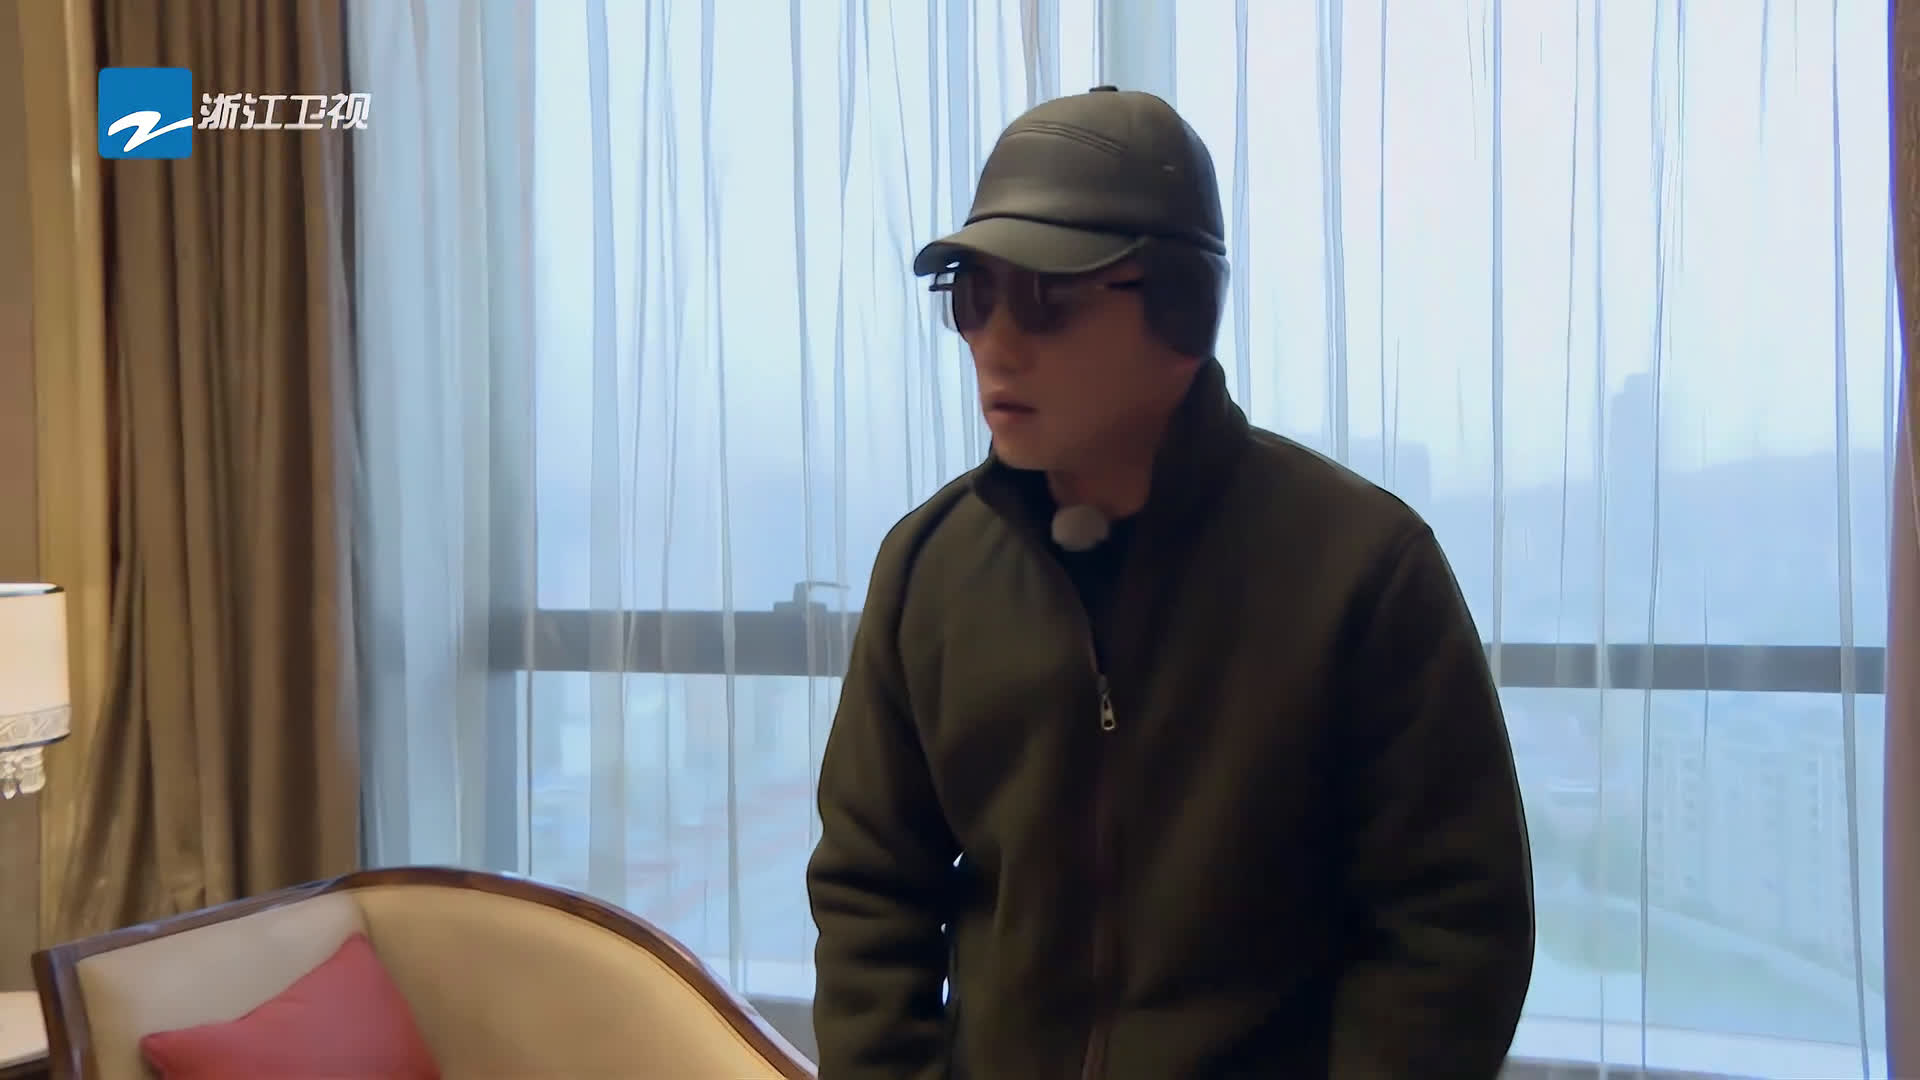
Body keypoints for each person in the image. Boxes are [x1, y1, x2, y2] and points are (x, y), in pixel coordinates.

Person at [806, 86, 1535, 1079]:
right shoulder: (929, 570)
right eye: (973, 297)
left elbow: (1450, 931)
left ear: (1183, 308)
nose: (995, 343)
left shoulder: (1362, 571)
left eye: (1046, 299)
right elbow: (870, 893)